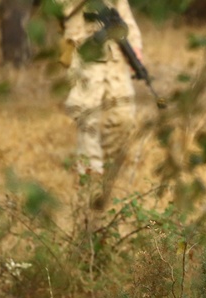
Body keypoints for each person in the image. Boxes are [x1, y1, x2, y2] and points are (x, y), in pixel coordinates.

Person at [58, 0, 143, 194]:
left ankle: (111, 173)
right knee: (87, 114)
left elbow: (124, 17)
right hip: (84, 51)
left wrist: (135, 48)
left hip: (115, 54)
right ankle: (90, 176)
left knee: (123, 116)